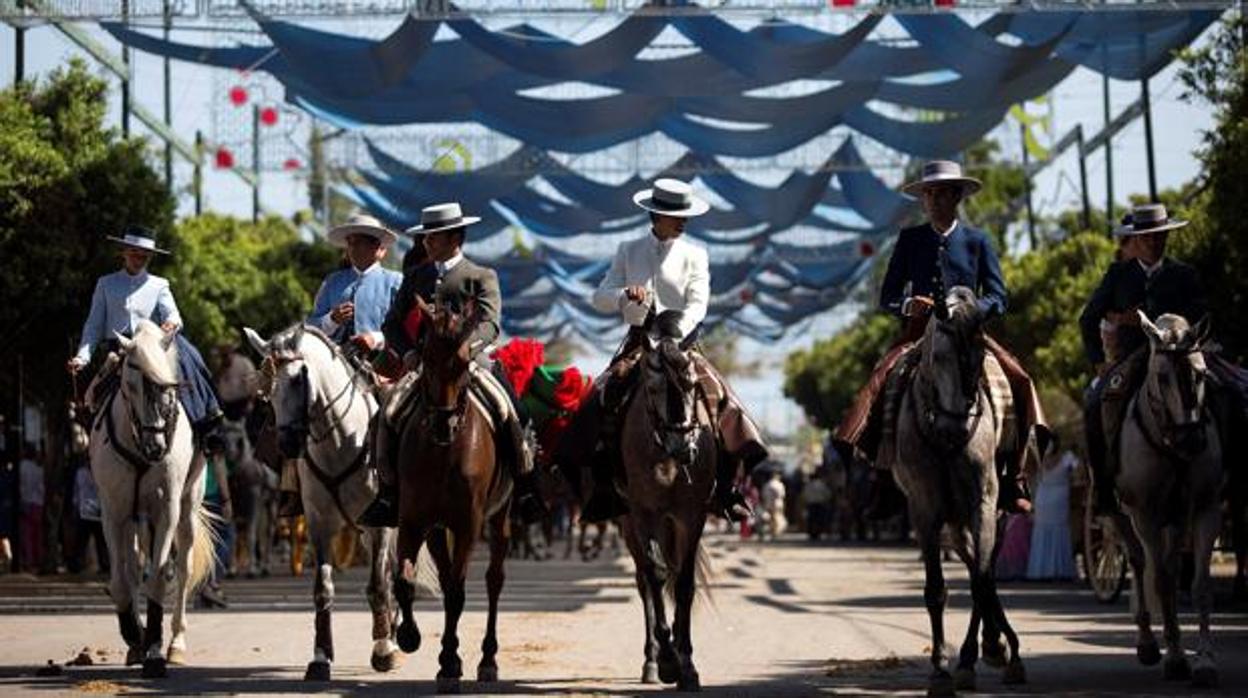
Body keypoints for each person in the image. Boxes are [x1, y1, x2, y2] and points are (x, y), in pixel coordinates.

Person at [832, 160, 1049, 515]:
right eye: (928, 194)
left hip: (968, 333)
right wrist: (907, 306)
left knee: (1017, 378)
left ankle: (1013, 476)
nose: (932, 200)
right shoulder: (909, 239)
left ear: (956, 196)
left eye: (940, 193)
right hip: (919, 334)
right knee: (882, 380)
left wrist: (973, 310)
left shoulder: (979, 241)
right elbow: (886, 295)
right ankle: (881, 474)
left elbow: (998, 295)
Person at [579, 178, 768, 524]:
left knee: (722, 399)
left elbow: (699, 303)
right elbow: (599, 296)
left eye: (685, 215)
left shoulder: (696, 254)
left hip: (683, 343)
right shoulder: (627, 249)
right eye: (675, 215)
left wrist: (674, 331)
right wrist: (624, 295)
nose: (683, 221)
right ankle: (603, 487)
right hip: (637, 344)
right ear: (656, 215)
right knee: (600, 397)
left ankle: (726, 489)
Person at [358, 202, 546, 527]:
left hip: (471, 362)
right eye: (426, 238)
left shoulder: (480, 275)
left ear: (454, 238)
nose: (426, 244)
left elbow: (490, 323)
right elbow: (391, 324)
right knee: (387, 413)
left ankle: (526, 488)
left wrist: (467, 349)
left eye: (433, 238)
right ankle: (388, 492)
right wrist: (408, 354)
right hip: (424, 365)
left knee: (511, 411)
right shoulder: (416, 276)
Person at [1079, 203, 1210, 515]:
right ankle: (1105, 486)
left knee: (1224, 393)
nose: (1154, 242)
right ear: (1135, 240)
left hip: (1178, 352)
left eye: (1159, 236)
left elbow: (1201, 313)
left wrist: (1172, 327)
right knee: (1095, 402)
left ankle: (1225, 474)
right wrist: (1098, 361)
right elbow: (1088, 319)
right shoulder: (1118, 274)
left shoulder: (1184, 274)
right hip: (1132, 357)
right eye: (1148, 237)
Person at [276, 213, 403, 517]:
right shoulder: (332, 283)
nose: (356, 247)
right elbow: (310, 326)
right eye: (352, 242)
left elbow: (406, 328)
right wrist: (332, 319)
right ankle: (292, 487)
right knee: (289, 407)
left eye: (364, 242)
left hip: (382, 366)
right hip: (335, 364)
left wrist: (375, 338)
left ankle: (394, 485)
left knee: (398, 414)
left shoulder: (395, 282)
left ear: (380, 249)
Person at [66, 225, 224, 452]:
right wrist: (82, 358)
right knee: (92, 397)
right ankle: (93, 444)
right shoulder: (106, 284)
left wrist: (171, 323)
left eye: (144, 255)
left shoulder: (160, 284)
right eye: (134, 253)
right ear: (124, 252)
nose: (139, 258)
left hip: (153, 349)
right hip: (119, 350)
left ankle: (207, 420)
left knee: (190, 355)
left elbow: (173, 314)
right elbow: (94, 325)